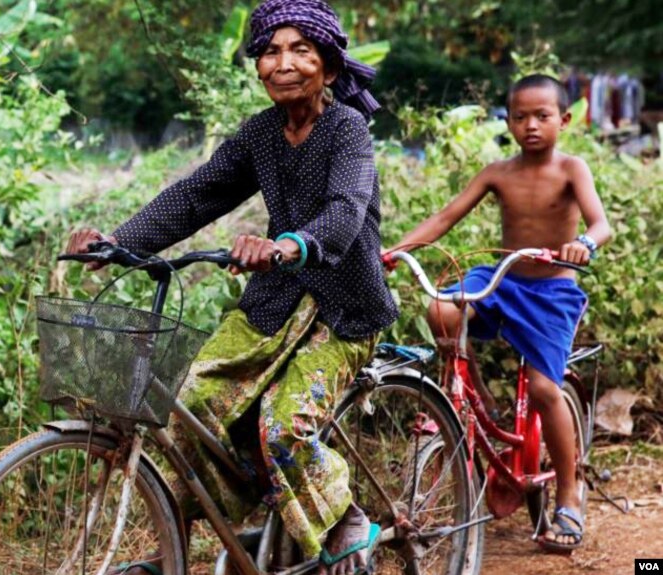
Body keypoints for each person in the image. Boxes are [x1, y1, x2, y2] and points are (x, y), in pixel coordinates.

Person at [64, 1, 397, 573]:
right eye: (270, 51)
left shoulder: (349, 131)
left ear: (331, 69)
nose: (283, 63)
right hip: (273, 304)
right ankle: (243, 518)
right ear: (258, 66)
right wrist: (119, 243)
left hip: (345, 309)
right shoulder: (263, 134)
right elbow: (198, 195)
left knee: (284, 428)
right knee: (189, 405)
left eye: (300, 51)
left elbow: (344, 214)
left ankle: (341, 516)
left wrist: (288, 245)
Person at [384, 74, 612, 552]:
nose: (531, 125)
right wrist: (393, 251)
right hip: (502, 279)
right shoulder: (497, 172)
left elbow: (600, 222)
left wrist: (584, 244)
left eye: (543, 116)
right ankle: (478, 400)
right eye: (520, 116)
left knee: (548, 389)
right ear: (507, 122)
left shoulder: (572, 168)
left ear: (563, 120)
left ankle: (568, 493)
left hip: (551, 289)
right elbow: (446, 217)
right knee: (441, 308)